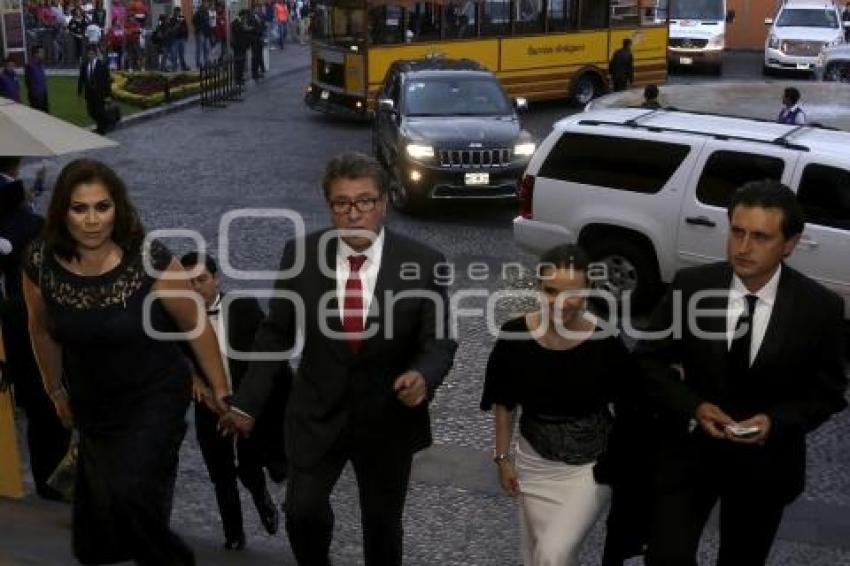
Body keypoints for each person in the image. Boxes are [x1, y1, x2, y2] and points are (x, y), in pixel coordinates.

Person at [220, 151, 458, 566]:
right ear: (329, 207)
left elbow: (438, 340)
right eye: (342, 203)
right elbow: (275, 333)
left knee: (382, 528)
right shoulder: (300, 256)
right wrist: (247, 402)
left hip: (386, 420)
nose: (354, 213)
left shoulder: (423, 263)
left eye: (364, 201)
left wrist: (423, 375)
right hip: (316, 413)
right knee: (302, 512)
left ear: (383, 202)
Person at [21, 159, 231, 564]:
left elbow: (194, 323)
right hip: (93, 403)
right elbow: (41, 330)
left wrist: (220, 387)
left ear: (118, 207)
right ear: (62, 211)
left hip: (154, 395)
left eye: (102, 206)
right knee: (99, 533)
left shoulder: (148, 257)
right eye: (79, 208)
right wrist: (55, 389)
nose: (92, 220)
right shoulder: (40, 261)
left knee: (129, 490)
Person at [636, 179, 847, 565]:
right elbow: (648, 360)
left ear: (790, 244)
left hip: (765, 469)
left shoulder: (820, 308)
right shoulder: (692, 286)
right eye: (737, 232)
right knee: (666, 557)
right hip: (689, 456)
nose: (744, 247)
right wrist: (695, 406)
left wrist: (775, 421)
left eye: (760, 237)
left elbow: (829, 392)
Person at [480, 244, 636, 566]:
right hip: (533, 465)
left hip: (591, 470)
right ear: (539, 286)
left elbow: (630, 407)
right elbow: (504, 403)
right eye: (551, 291)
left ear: (589, 290)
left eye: (573, 293)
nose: (560, 304)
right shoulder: (514, 335)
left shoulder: (605, 340)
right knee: (539, 555)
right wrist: (501, 458)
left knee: (554, 553)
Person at [179, 252, 285, 551]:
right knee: (220, 473)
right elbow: (172, 357)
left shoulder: (243, 307)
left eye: (201, 280)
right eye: (188, 283)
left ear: (216, 278)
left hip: (245, 401)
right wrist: (196, 383)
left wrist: (246, 403)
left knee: (250, 465)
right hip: (208, 405)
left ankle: (260, 495)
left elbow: (267, 354)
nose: (196, 288)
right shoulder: (177, 318)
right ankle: (234, 536)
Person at [1, 157, 70, 502]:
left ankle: (49, 478)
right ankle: (50, 480)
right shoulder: (28, 225)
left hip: (23, 324)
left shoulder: (25, 224)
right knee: (43, 402)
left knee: (39, 403)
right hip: (25, 324)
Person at [77, 44, 111, 134]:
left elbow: (107, 80)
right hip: (89, 93)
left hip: (100, 93)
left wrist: (108, 95)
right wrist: (79, 91)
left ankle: (101, 128)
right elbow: (81, 79)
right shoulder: (84, 65)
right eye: (89, 54)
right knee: (91, 111)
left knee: (100, 111)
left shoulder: (102, 65)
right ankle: (102, 124)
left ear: (95, 54)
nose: (90, 56)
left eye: (92, 54)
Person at [25, 46, 50, 112]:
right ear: (35, 54)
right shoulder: (29, 66)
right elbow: (29, 84)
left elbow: (43, 81)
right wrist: (34, 97)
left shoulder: (41, 65)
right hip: (36, 98)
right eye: (41, 52)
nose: (43, 54)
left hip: (43, 96)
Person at [192, 0, 213, 68]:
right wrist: (199, 29)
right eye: (206, 2)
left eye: (207, 2)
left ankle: (206, 62)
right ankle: (198, 63)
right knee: (199, 49)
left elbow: (211, 23)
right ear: (203, 3)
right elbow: (193, 21)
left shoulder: (208, 12)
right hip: (200, 33)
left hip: (206, 33)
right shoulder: (199, 12)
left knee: (206, 49)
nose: (207, 4)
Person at [169, 7, 190, 71]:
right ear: (174, 12)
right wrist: (178, 23)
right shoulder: (172, 19)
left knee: (182, 54)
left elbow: (186, 27)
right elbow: (171, 29)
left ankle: (183, 66)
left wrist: (186, 36)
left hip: (182, 38)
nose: (178, 13)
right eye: (176, 12)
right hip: (175, 39)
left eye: (179, 12)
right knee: (174, 55)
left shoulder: (182, 17)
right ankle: (174, 67)